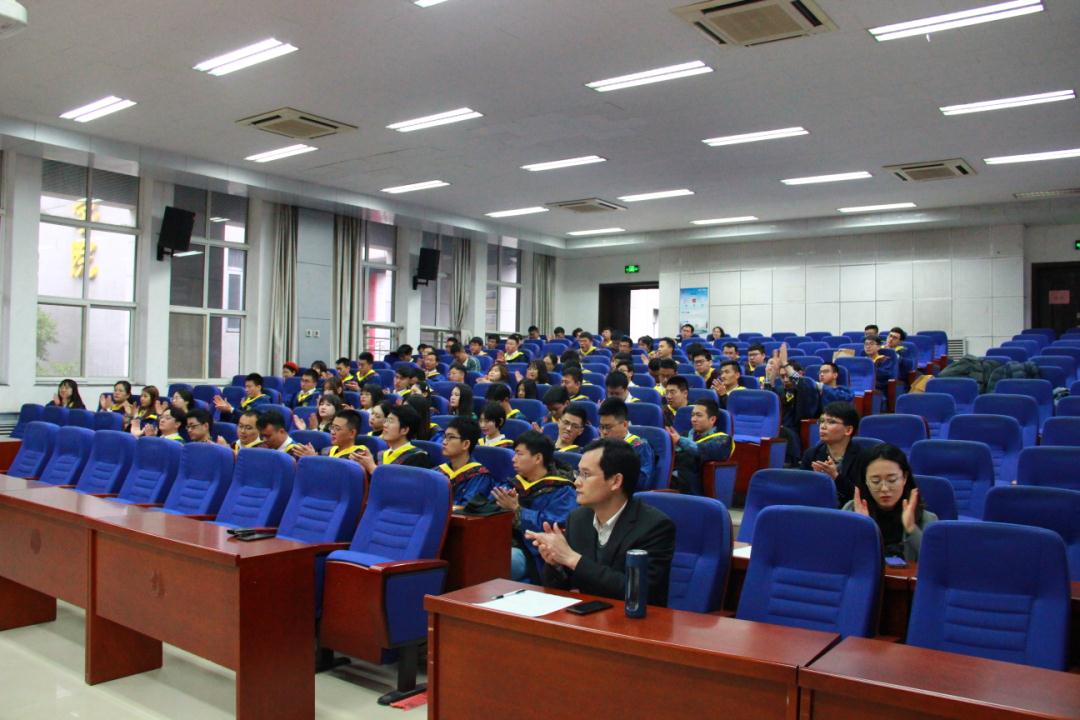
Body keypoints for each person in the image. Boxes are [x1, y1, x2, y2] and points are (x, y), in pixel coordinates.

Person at [530, 438, 675, 605]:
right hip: (589, 614)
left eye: (586, 474)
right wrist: (556, 563)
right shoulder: (577, 519)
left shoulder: (654, 526)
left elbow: (637, 591)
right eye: (578, 473)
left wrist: (572, 559)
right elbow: (562, 588)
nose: (576, 482)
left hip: (633, 619)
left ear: (616, 481)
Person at [496, 430, 577, 583]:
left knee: (493, 562)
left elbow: (554, 529)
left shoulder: (563, 491)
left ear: (538, 458)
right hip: (504, 543)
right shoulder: (513, 483)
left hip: (535, 555)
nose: (513, 459)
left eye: (519, 454)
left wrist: (517, 510)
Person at [846, 443, 937, 561]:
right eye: (875, 481)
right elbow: (839, 557)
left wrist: (912, 529)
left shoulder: (928, 520)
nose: (884, 488)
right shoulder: (851, 511)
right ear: (866, 481)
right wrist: (862, 527)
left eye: (892, 480)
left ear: (904, 478)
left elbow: (937, 561)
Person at [800, 401, 864, 507]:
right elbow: (802, 490)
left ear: (848, 430)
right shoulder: (811, 455)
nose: (823, 426)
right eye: (821, 421)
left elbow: (862, 497)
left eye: (831, 422)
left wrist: (836, 477)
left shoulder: (863, 457)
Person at [665, 399, 733, 495]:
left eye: (699, 415)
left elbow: (700, 450)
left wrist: (679, 441)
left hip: (694, 493)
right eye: (692, 415)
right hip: (672, 484)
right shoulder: (685, 435)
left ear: (712, 419)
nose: (693, 419)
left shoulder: (723, 440)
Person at [354, 403, 433, 471]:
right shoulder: (381, 455)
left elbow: (398, 483)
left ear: (404, 430)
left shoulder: (418, 457)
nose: (385, 425)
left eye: (390, 421)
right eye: (386, 420)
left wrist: (372, 468)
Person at [598, 399, 655, 492]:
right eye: (602, 427)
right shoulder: (598, 444)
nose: (604, 432)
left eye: (608, 427)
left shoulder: (639, 446)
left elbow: (643, 482)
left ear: (625, 424)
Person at [438, 417, 497, 506]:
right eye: (445, 437)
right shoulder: (438, 471)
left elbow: (467, 508)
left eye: (451, 437)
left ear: (465, 444)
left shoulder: (480, 477)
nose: (444, 442)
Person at [294, 408, 365, 459]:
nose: (332, 432)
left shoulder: (359, 455)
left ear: (352, 433)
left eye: (337, 429)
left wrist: (314, 459)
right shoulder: (326, 450)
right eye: (332, 427)